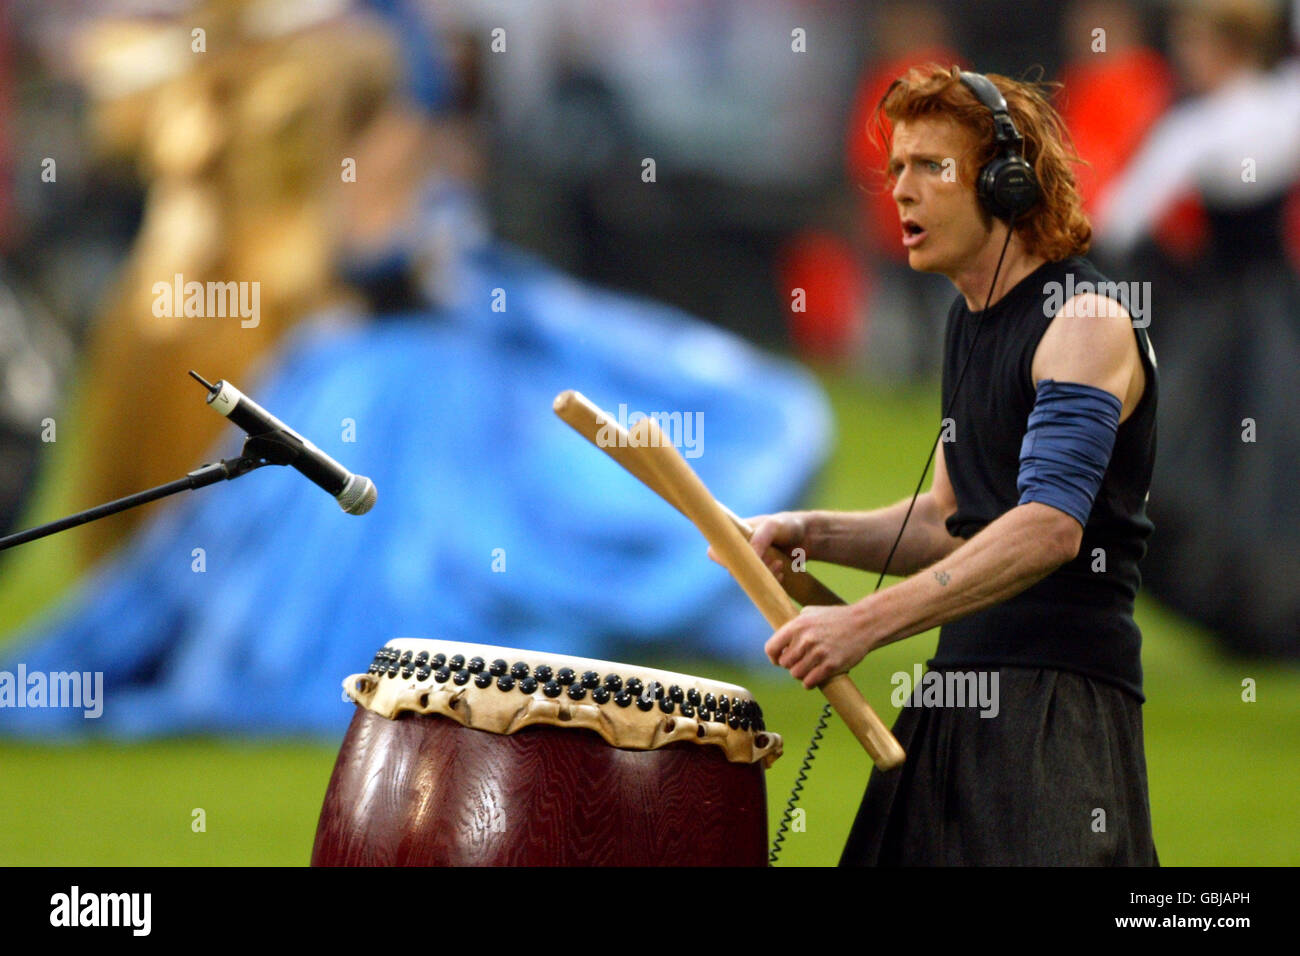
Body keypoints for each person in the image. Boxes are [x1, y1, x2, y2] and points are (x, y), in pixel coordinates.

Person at [739, 64, 1160, 865]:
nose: (901, 191)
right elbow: (949, 520)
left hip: (1057, 708)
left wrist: (862, 623)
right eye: (895, 167)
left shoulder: (1085, 321)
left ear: (1006, 184)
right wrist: (807, 532)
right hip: (959, 690)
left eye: (932, 166)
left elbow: (1046, 529)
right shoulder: (969, 322)